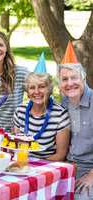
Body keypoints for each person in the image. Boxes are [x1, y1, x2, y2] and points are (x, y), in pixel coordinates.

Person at [58, 41, 93, 199]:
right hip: (68, 166)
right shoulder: (64, 103)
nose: (69, 83)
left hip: (89, 169)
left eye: (74, 78)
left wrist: (92, 175)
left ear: (83, 78)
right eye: (64, 79)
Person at [13, 72, 70, 160]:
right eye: (32, 88)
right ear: (27, 92)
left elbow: (60, 155)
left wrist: (35, 167)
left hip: (47, 165)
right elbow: (15, 146)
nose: (37, 92)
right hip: (22, 162)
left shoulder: (60, 114)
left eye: (41, 86)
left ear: (49, 90)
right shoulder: (20, 111)